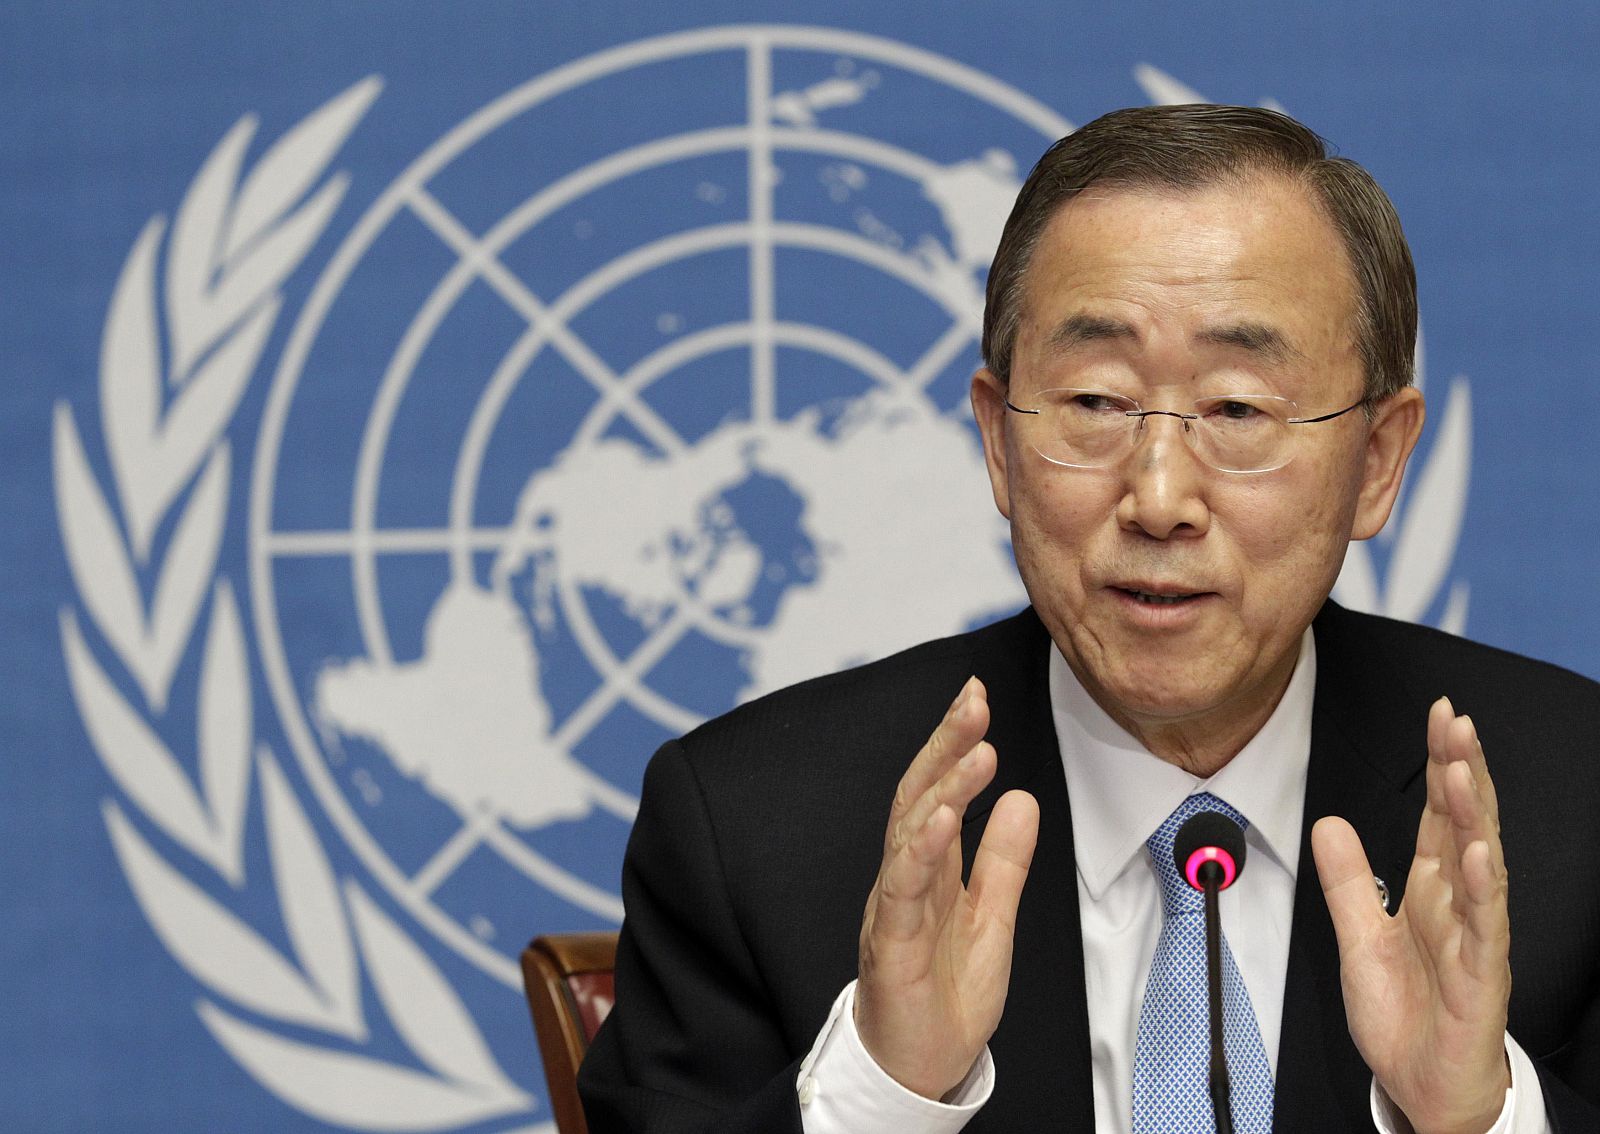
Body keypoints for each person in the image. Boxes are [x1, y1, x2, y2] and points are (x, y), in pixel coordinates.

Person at [577, 105, 1600, 1133]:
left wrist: (1480, 1119)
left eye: (1238, 410)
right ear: (997, 439)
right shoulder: (755, 831)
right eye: (1096, 404)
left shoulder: (1576, 812)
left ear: (1377, 461)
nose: (1158, 497)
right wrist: (885, 1092)